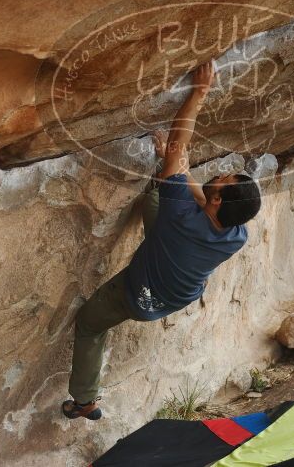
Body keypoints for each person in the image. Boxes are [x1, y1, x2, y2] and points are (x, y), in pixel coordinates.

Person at [63, 62, 262, 420]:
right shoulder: (237, 235)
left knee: (91, 323)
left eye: (223, 180)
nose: (219, 175)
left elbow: (178, 143)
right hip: (178, 293)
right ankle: (165, 181)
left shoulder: (180, 217)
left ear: (216, 201)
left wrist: (198, 94)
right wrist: (179, 172)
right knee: (160, 196)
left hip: (139, 293)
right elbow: (204, 200)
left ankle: (84, 401)